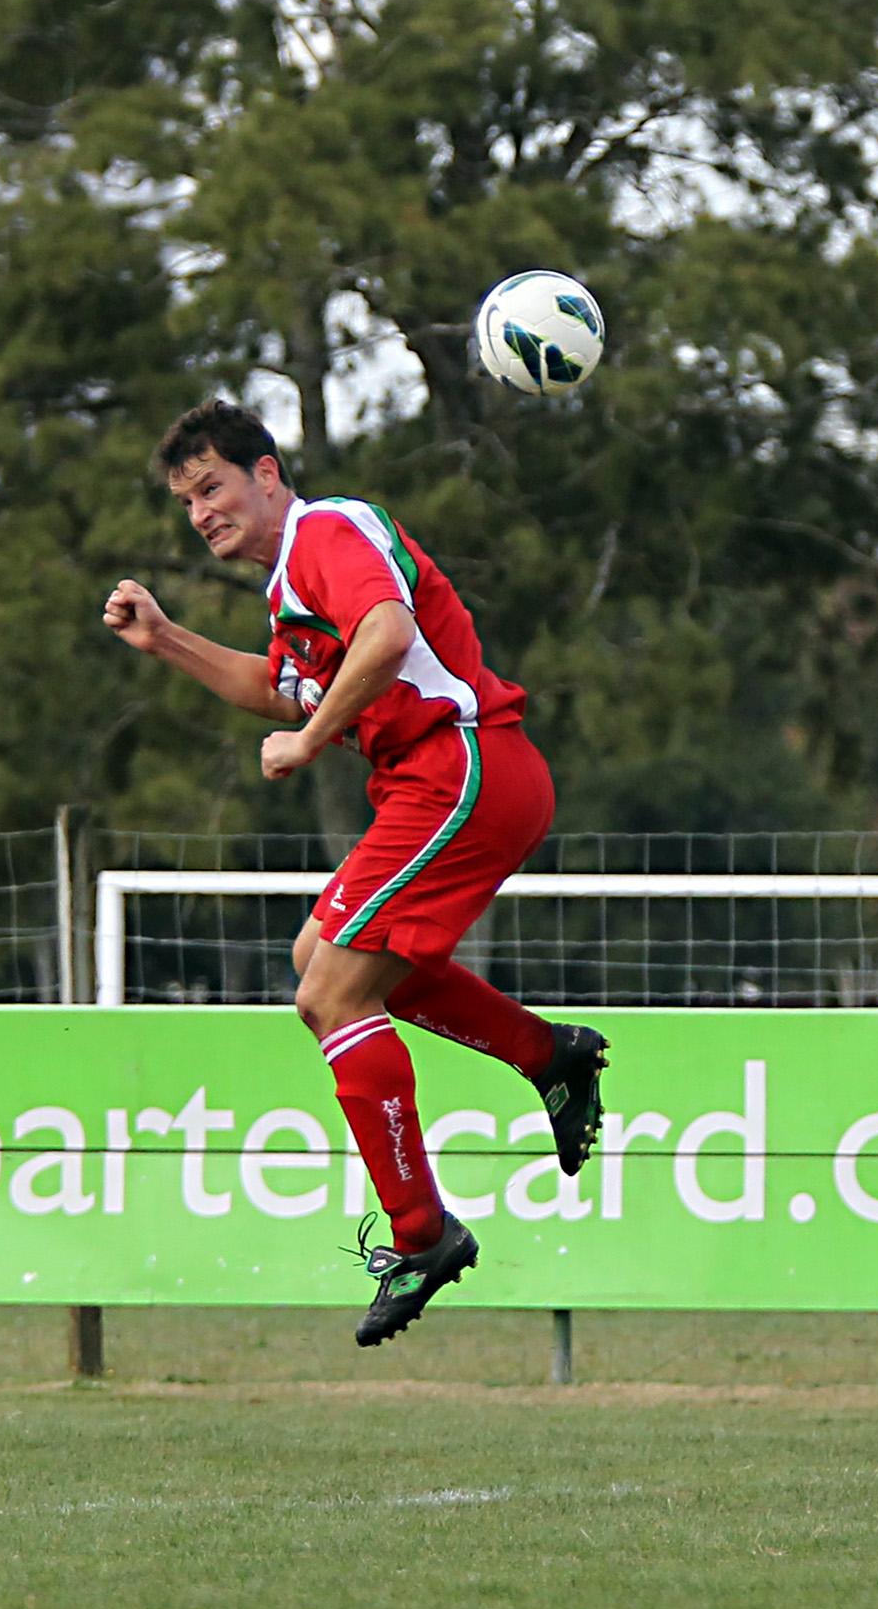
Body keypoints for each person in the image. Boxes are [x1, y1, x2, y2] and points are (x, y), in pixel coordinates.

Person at [104, 400, 608, 1347]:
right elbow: (276, 684)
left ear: (267, 473)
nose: (201, 512)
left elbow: (382, 632)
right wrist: (168, 639)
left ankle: (424, 1233)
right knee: (325, 961)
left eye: (212, 487)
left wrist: (310, 738)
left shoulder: (329, 529)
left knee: (329, 992)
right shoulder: (290, 582)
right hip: (442, 781)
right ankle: (549, 1056)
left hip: (461, 767)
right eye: (185, 501)